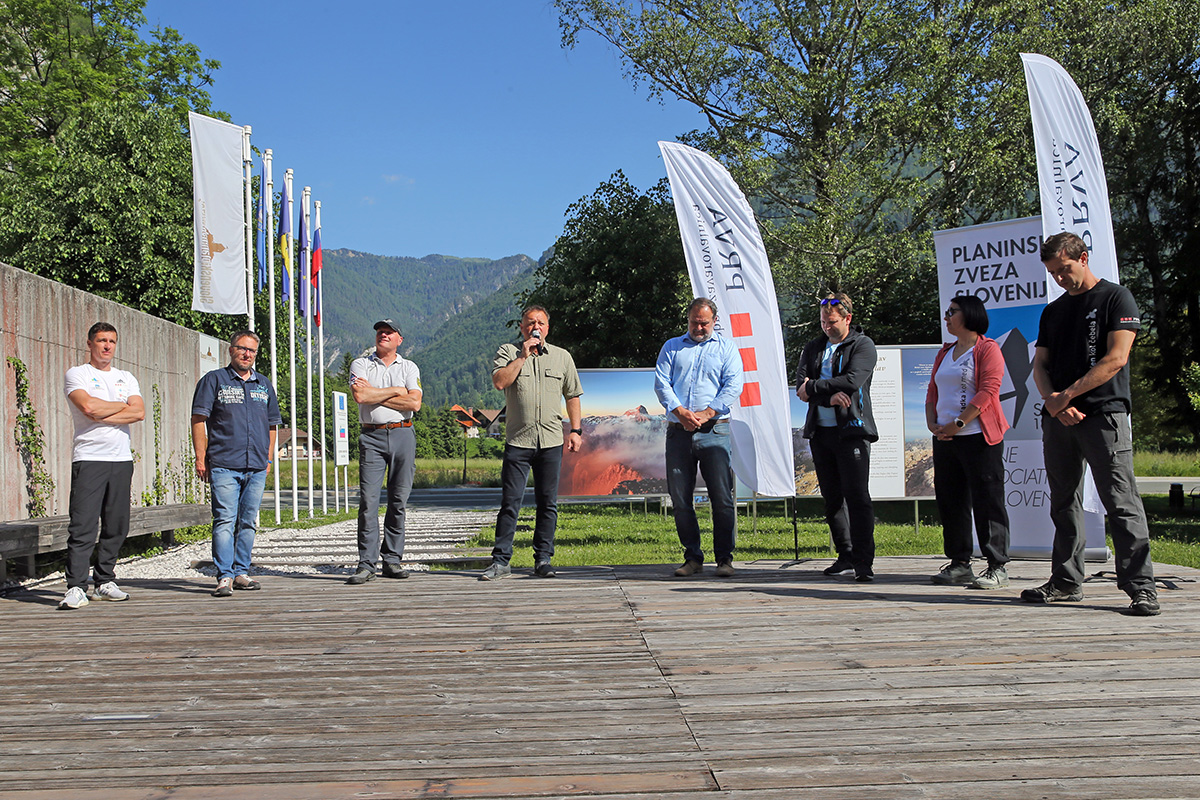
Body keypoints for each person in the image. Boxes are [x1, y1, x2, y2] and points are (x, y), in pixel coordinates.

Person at [1023, 232, 1159, 616]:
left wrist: (1065, 396)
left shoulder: (1117, 298)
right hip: (1058, 420)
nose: (1059, 278)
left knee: (1121, 502)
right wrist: (1054, 402)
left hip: (1104, 416)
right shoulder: (1053, 311)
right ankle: (1066, 582)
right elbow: (1039, 364)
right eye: (1053, 272)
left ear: (1083, 258)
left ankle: (1141, 587)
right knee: (1063, 502)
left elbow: (1116, 358)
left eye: (1064, 269)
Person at [480, 305, 583, 580]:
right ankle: (501, 561)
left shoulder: (562, 357)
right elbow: (499, 382)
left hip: (551, 441)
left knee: (547, 503)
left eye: (540, 322)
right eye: (530, 323)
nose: (535, 327)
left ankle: (543, 559)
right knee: (510, 502)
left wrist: (576, 430)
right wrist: (522, 357)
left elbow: (572, 395)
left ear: (548, 327)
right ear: (522, 327)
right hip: (519, 440)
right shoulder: (508, 352)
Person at [925, 295, 1011, 589]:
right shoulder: (945, 352)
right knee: (951, 501)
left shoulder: (987, 349)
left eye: (952, 311)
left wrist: (959, 423)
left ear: (970, 314)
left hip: (978, 437)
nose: (946, 317)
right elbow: (933, 390)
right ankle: (960, 563)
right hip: (945, 439)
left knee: (988, 501)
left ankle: (997, 566)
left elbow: (989, 390)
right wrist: (933, 424)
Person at [654, 297, 744, 578]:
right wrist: (680, 412)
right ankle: (692, 557)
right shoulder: (672, 347)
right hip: (678, 431)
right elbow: (661, 383)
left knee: (722, 497)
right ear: (688, 319)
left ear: (715, 321)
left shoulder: (727, 348)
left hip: (715, 430)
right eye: (694, 322)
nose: (699, 327)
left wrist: (707, 413)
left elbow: (733, 385)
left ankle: (724, 558)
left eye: (704, 323)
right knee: (680, 499)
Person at [60, 322, 145, 609]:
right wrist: (122, 406)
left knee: (117, 525)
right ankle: (76, 587)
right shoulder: (78, 374)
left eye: (111, 341)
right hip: (89, 458)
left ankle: (105, 581)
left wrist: (104, 410)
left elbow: (139, 412)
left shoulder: (126, 377)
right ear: (90, 344)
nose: (107, 346)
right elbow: (88, 407)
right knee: (83, 525)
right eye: (101, 340)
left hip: (120, 460)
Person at [191, 330, 281, 598]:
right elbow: (198, 419)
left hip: (256, 465)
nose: (246, 354)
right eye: (242, 348)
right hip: (224, 463)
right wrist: (200, 456)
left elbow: (272, 424)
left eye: (252, 350)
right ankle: (224, 576)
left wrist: (268, 457)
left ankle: (241, 572)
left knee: (248, 522)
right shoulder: (214, 380)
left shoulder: (263, 384)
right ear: (231, 350)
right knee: (224, 520)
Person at [796, 294, 878, 582]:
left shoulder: (862, 345)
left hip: (852, 431)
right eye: (823, 322)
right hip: (821, 432)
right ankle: (845, 554)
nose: (827, 328)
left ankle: (863, 561)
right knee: (832, 498)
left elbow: (852, 380)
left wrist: (815, 387)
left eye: (832, 322)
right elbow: (800, 386)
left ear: (847, 319)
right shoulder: (813, 347)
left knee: (857, 496)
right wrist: (828, 397)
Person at [346, 319, 423, 584]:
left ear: (399, 339)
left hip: (403, 434)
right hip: (371, 436)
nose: (384, 335)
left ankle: (392, 560)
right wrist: (396, 391)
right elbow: (360, 397)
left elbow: (415, 403)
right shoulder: (361, 364)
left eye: (389, 332)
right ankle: (366, 564)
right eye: (380, 331)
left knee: (398, 501)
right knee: (368, 501)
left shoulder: (409, 366)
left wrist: (375, 394)